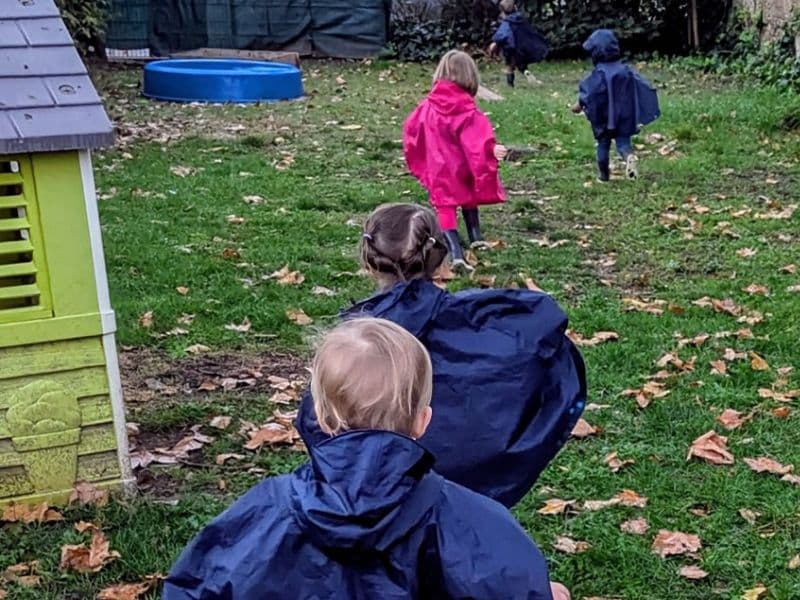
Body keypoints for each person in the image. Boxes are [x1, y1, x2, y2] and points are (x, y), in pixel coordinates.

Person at [163, 318, 571, 600]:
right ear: (422, 421)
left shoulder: (261, 513)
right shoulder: (475, 522)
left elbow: (197, 586)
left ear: (320, 417)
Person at [297, 203, 587, 509]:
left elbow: (317, 424)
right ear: (441, 258)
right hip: (458, 504)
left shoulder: (349, 344)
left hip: (362, 507)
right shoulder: (485, 325)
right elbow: (543, 341)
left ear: (368, 260)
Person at [403, 50, 507, 272]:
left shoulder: (427, 105)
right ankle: (475, 236)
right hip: (462, 167)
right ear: (470, 76)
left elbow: (412, 129)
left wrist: (421, 156)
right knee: (469, 197)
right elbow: (476, 139)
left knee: (445, 207)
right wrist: (490, 150)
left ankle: (455, 253)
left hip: (438, 168)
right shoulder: (466, 109)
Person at [571, 29, 660, 182]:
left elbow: (589, 94)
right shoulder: (625, 70)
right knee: (623, 143)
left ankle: (604, 176)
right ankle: (629, 157)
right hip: (624, 115)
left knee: (603, 145)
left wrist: (578, 105)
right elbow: (641, 85)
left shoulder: (598, 74)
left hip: (604, 117)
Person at [489, 0, 549, 87]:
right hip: (521, 48)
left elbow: (502, 35)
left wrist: (494, 42)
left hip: (510, 49)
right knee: (520, 64)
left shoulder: (507, 23)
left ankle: (510, 85)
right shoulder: (521, 19)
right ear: (516, 8)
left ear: (502, 12)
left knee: (510, 67)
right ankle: (526, 72)